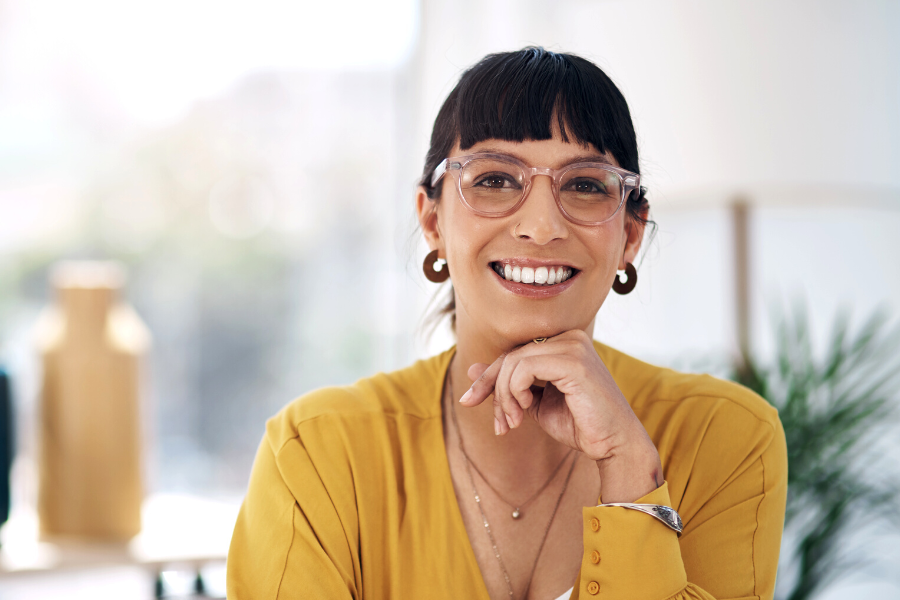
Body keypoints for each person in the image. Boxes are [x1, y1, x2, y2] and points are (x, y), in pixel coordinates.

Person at [226, 47, 787, 600]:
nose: (540, 227)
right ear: (432, 221)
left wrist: (632, 476)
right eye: (494, 179)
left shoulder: (726, 437)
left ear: (630, 236)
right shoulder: (317, 453)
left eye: (585, 184)